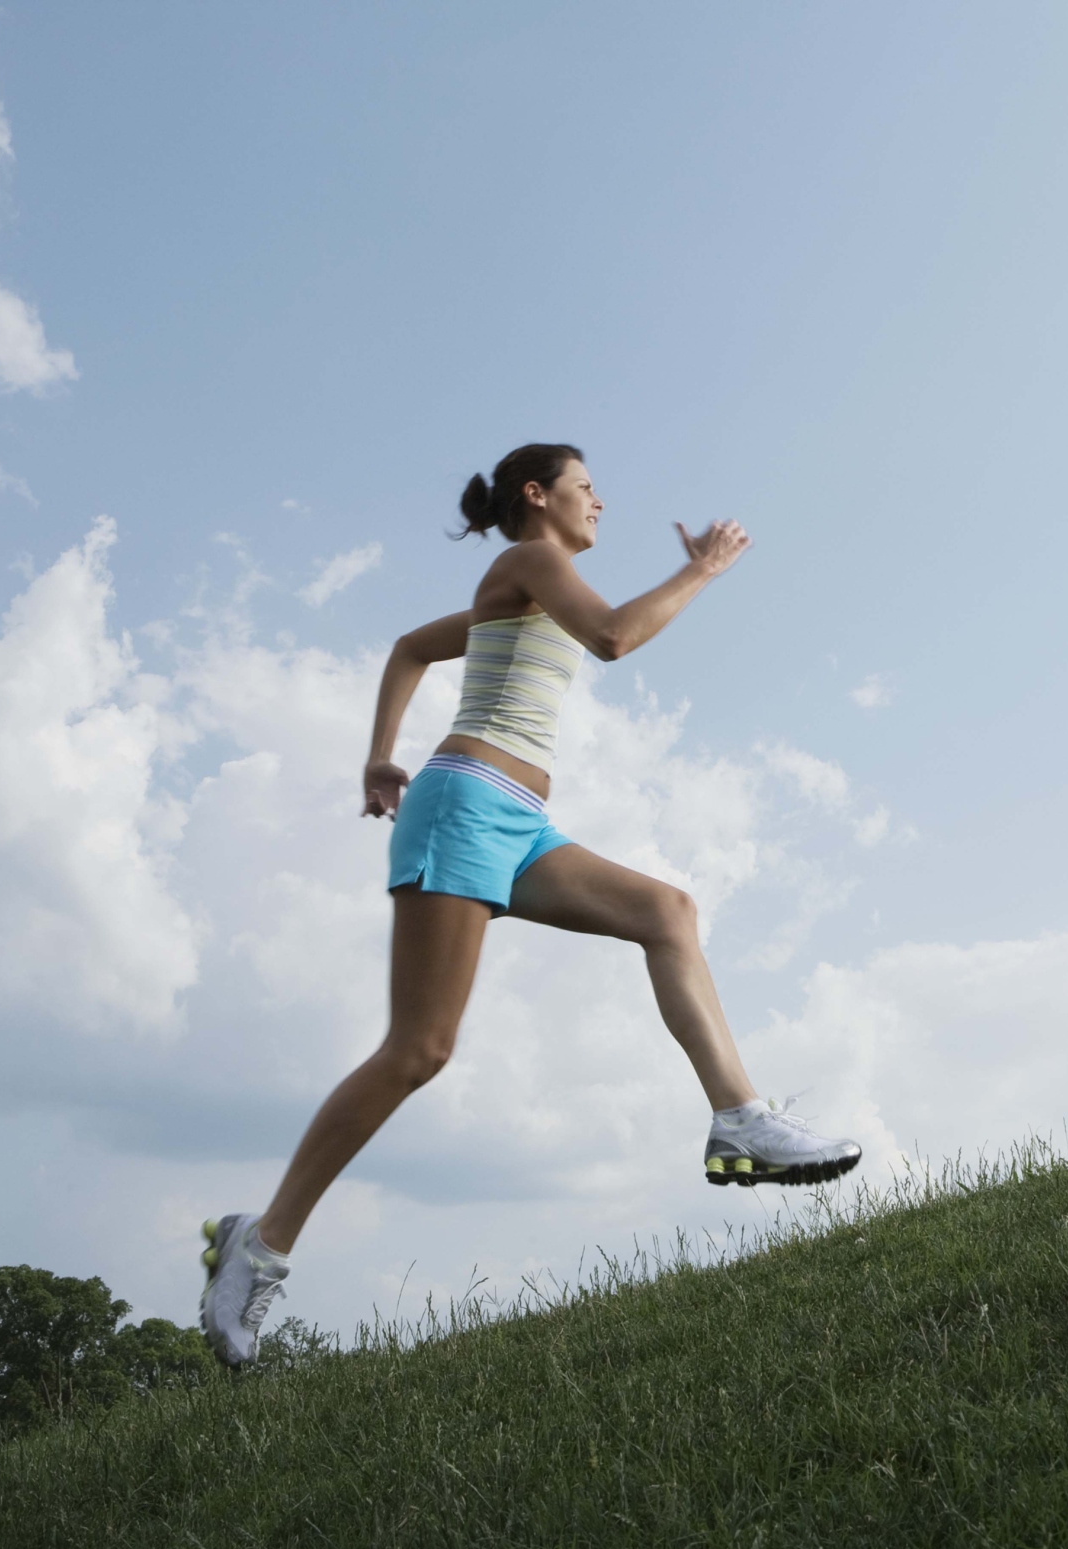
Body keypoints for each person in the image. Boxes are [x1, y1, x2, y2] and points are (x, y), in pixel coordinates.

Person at [197, 443, 861, 1366]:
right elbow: (616, 636)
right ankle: (258, 1246)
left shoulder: (523, 588)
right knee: (419, 1050)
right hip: (465, 804)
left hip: (518, 819)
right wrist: (702, 568)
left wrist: (380, 754)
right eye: (588, 488)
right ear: (538, 496)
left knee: (668, 911)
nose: (602, 503)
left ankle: (739, 1116)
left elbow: (407, 649)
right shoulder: (532, 560)